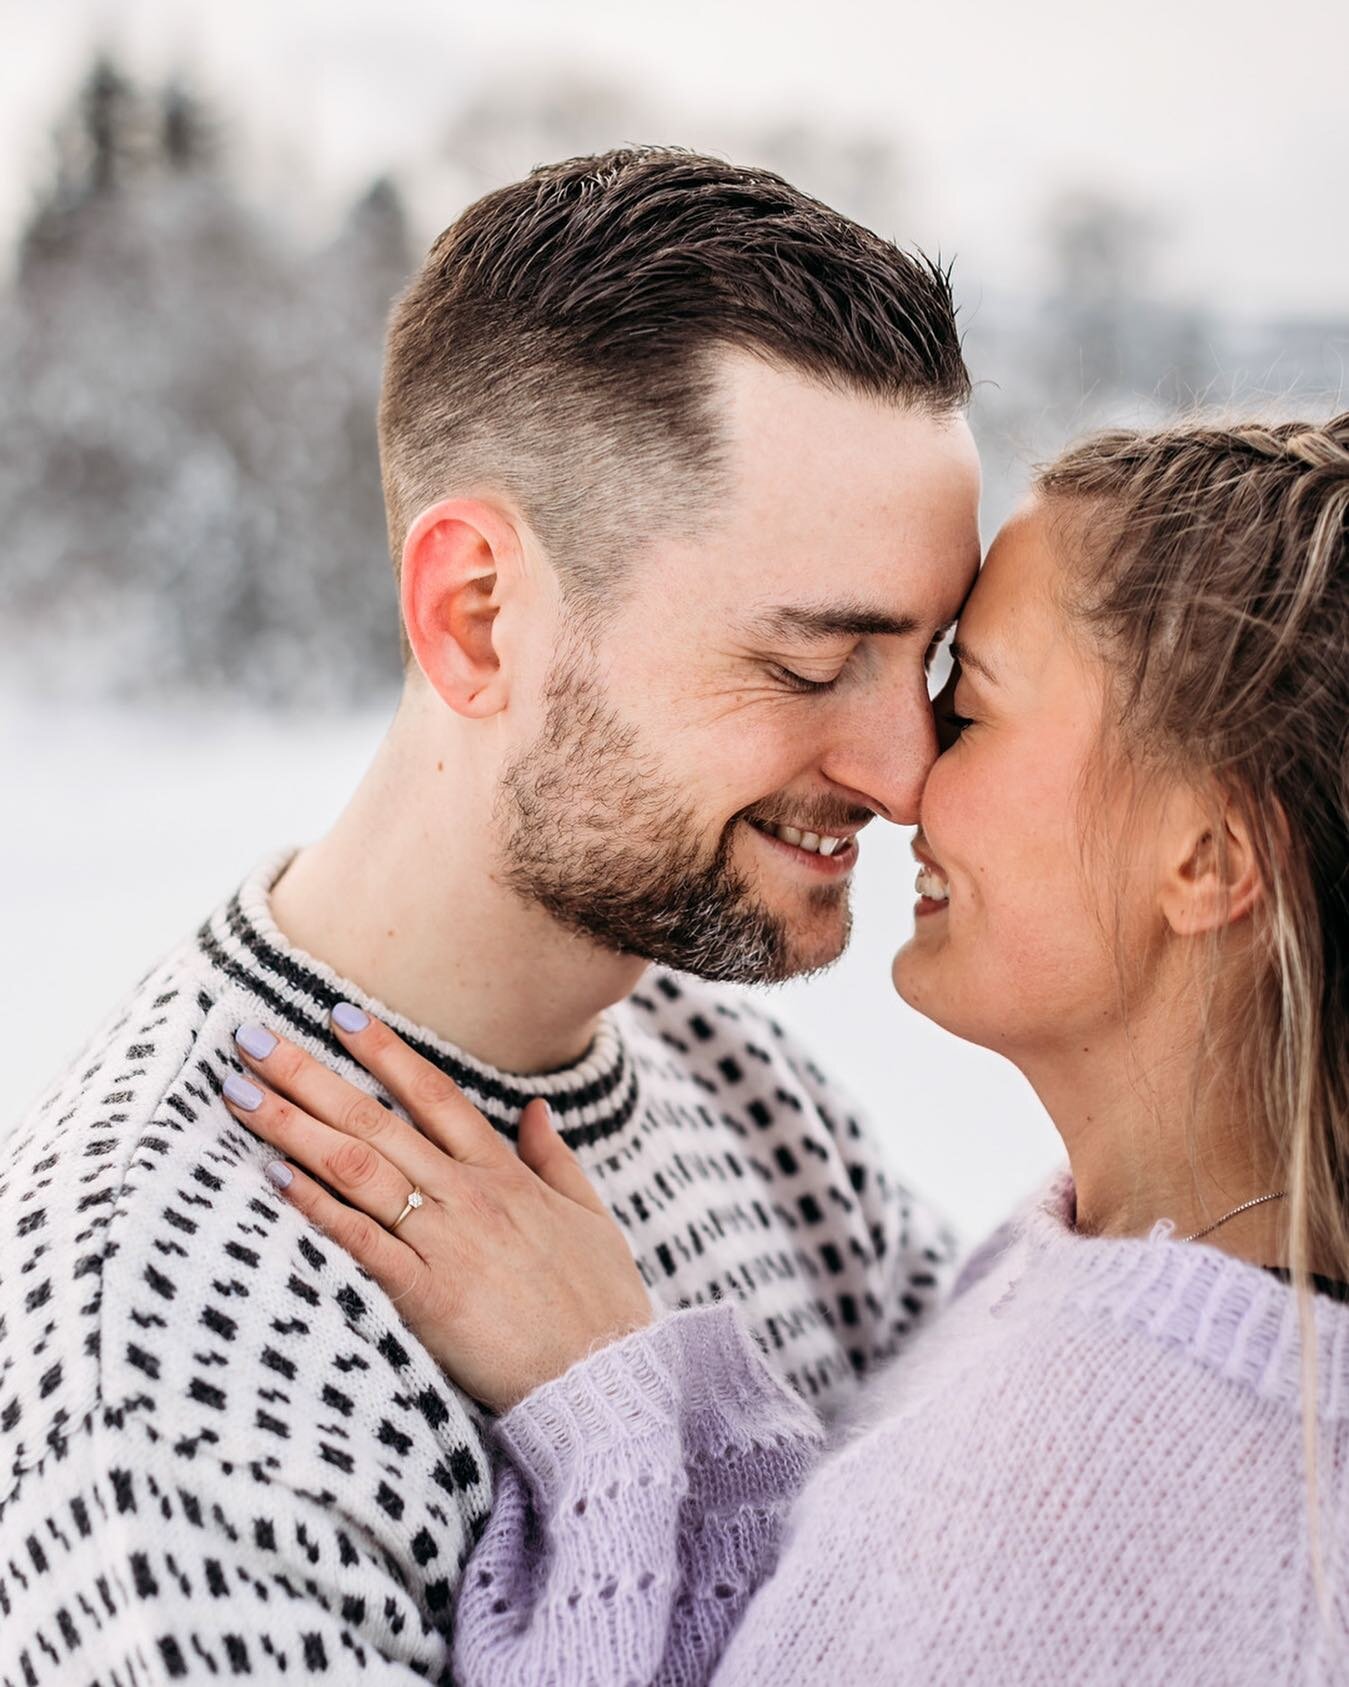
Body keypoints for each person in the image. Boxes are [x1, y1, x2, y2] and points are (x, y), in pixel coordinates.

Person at [0, 149, 982, 1682]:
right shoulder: (168, 1332)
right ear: (479, 613)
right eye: (808, 663)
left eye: (924, 666)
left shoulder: (742, 1090)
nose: (906, 774)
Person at [226, 412, 1349, 1683]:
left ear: (1202, 858)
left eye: (964, 706)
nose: (901, 776)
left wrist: (610, 1406)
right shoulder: (1137, 1286)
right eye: (816, 666)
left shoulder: (1103, 1495)